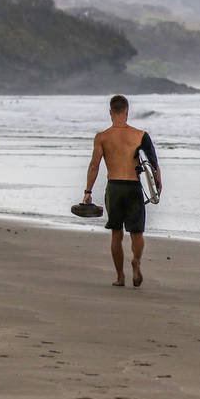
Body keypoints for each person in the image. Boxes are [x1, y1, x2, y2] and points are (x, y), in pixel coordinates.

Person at [83, 94, 162, 287]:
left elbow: (94, 166)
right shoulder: (140, 135)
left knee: (116, 233)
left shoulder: (102, 137)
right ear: (127, 112)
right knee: (137, 232)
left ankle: (120, 277)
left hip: (114, 188)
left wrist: (88, 192)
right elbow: (153, 165)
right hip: (133, 187)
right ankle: (136, 261)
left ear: (110, 112)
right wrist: (158, 187)